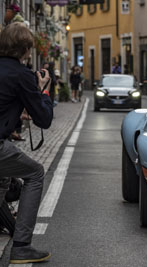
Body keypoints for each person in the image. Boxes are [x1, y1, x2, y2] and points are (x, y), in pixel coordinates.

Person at [0, 22, 52, 264]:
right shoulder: (23, 75)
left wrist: (15, 112)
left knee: (3, 180)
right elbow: (43, 119)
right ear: (24, 50)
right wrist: (42, 91)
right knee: (35, 173)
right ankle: (21, 245)